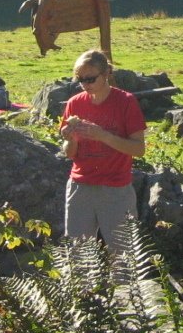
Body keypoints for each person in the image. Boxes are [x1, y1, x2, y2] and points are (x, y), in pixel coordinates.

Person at [59, 49, 146, 255]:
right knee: (78, 254)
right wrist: (69, 139)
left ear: (106, 73)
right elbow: (70, 154)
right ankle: (85, 289)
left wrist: (103, 136)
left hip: (116, 188)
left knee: (124, 256)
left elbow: (139, 149)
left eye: (90, 79)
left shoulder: (125, 101)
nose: (85, 85)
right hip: (81, 187)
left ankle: (124, 288)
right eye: (80, 79)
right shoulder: (75, 103)